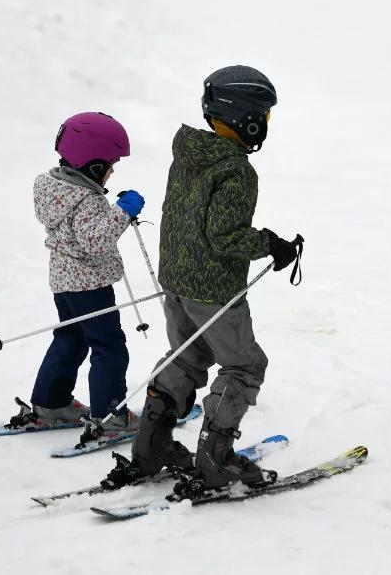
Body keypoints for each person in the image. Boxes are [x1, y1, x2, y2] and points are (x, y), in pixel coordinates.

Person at [107, 66, 302, 493]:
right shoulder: (236, 170)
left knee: (187, 356)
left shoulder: (191, 154)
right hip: (214, 289)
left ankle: (151, 447)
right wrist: (271, 243)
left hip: (176, 281)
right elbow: (224, 235)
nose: (265, 125)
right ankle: (216, 458)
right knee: (245, 365)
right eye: (264, 116)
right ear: (245, 116)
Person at [6, 112, 146, 444]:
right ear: (93, 165)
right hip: (90, 285)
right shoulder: (87, 199)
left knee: (71, 337)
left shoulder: (52, 186)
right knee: (109, 346)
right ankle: (111, 417)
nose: (112, 171)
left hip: (63, 281)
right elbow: (95, 241)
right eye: (110, 164)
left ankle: (51, 403)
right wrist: (123, 211)